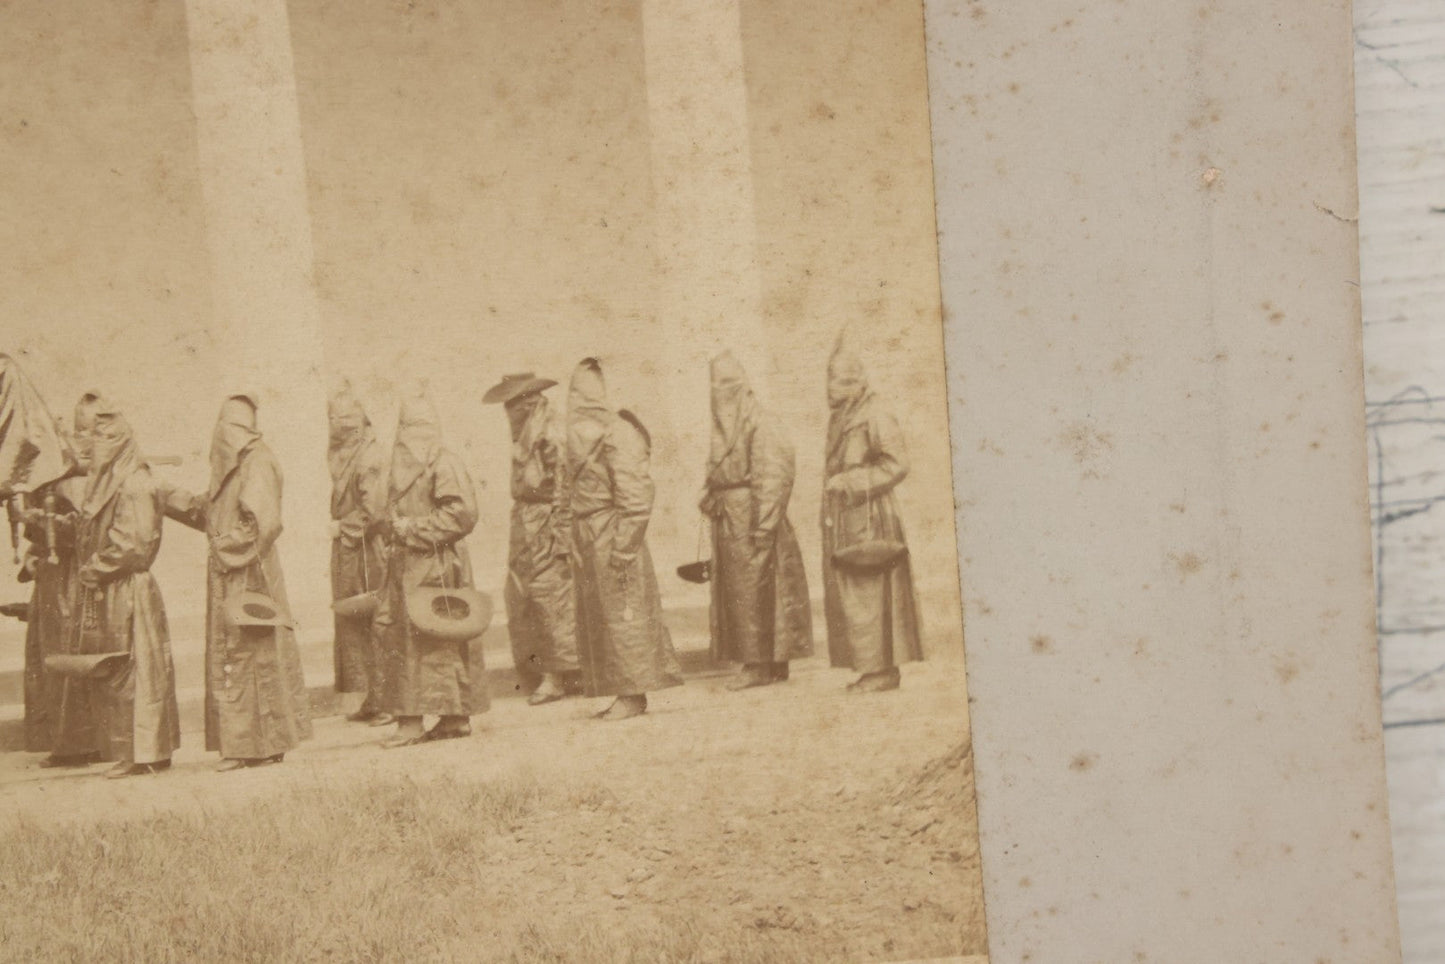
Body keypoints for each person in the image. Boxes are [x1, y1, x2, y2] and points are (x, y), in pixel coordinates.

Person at [164, 394, 312, 770]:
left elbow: (263, 524)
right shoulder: (235, 466)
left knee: (253, 655)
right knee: (239, 657)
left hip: (250, 574)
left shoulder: (256, 462)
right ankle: (249, 745)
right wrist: (165, 496)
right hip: (233, 572)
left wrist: (224, 547)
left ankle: (258, 746)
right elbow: (210, 511)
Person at [566, 357, 681, 720]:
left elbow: (636, 498)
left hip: (613, 534)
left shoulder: (618, 434)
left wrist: (624, 547)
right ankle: (621, 692)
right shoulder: (583, 437)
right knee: (603, 616)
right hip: (589, 534)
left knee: (625, 616)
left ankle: (633, 695)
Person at [73, 398, 180, 778]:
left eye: (101, 438)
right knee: (132, 668)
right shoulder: (112, 480)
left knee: (134, 669)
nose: (92, 445)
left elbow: (132, 545)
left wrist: (95, 568)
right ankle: (145, 749)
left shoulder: (132, 482)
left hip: (128, 587)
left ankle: (143, 751)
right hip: (117, 587)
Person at [376, 389, 487, 747]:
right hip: (405, 563)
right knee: (408, 641)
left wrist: (414, 528)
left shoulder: (444, 463)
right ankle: (435, 718)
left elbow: (463, 514)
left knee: (439, 638)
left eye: (422, 424)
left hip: (438, 564)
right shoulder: (395, 467)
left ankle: (437, 719)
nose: (414, 434)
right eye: (408, 425)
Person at [700, 351, 813, 690]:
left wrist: (764, 523)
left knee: (756, 590)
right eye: (715, 384)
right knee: (742, 591)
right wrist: (713, 494)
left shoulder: (762, 421)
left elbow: (775, 473)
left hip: (754, 517)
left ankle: (759, 664)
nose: (720, 391)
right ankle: (769, 663)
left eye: (727, 383)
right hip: (732, 518)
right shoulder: (726, 426)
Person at [820, 331, 924, 691]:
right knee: (856, 593)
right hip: (849, 518)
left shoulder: (874, 413)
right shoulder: (844, 416)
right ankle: (871, 668)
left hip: (872, 517)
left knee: (872, 592)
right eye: (828, 378)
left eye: (835, 379)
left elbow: (897, 464)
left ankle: (882, 671)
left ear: (854, 380)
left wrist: (850, 482)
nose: (829, 387)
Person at [483, 372, 578, 706]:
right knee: (521, 597)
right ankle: (539, 670)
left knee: (550, 595)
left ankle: (558, 675)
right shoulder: (527, 433)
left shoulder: (551, 431)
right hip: (525, 523)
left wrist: (562, 534)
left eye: (513, 405)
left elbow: (565, 488)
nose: (508, 413)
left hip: (548, 522)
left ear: (530, 402)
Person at [14, 392, 97, 764]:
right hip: (52, 577)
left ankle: (76, 744)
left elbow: (81, 529)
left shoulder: (82, 473)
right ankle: (56, 737)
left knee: (70, 652)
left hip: (74, 580)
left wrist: (38, 524)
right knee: (49, 652)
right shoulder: (55, 467)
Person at [327, 384, 390, 726]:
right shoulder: (346, 454)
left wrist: (344, 528)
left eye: (347, 416)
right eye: (334, 416)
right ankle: (372, 696)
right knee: (355, 622)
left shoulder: (368, 456)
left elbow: (375, 510)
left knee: (375, 621)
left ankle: (385, 699)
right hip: (352, 552)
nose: (338, 423)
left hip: (370, 550)